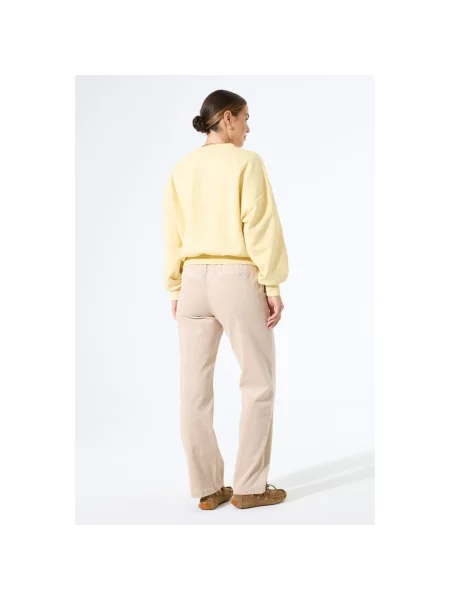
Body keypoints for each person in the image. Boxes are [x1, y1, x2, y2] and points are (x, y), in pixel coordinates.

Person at [163, 89, 289, 510]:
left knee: (193, 389)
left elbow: (172, 232)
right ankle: (250, 486)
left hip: (193, 280)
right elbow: (260, 225)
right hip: (236, 277)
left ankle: (208, 488)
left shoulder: (182, 168)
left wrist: (176, 286)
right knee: (258, 381)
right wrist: (272, 285)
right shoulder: (246, 162)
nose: (249, 128)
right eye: (246, 118)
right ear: (228, 118)